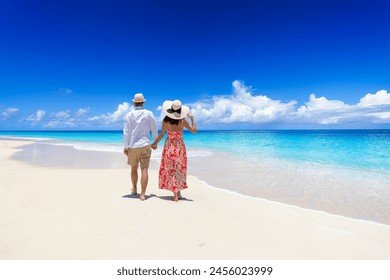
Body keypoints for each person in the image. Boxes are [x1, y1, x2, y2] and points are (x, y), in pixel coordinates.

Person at [151, 100, 197, 202]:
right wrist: (192, 119)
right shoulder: (182, 121)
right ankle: (177, 193)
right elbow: (194, 131)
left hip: (169, 147)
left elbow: (162, 135)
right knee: (179, 170)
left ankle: (176, 193)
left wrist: (154, 144)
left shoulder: (165, 121)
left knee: (170, 170)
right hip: (179, 148)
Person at [123, 93, 158, 201]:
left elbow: (126, 132)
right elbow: (154, 129)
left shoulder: (129, 115)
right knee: (144, 170)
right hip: (145, 145)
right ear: (143, 102)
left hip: (133, 146)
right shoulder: (149, 113)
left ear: (134, 103)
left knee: (134, 168)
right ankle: (142, 194)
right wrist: (155, 142)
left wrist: (126, 146)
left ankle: (134, 189)